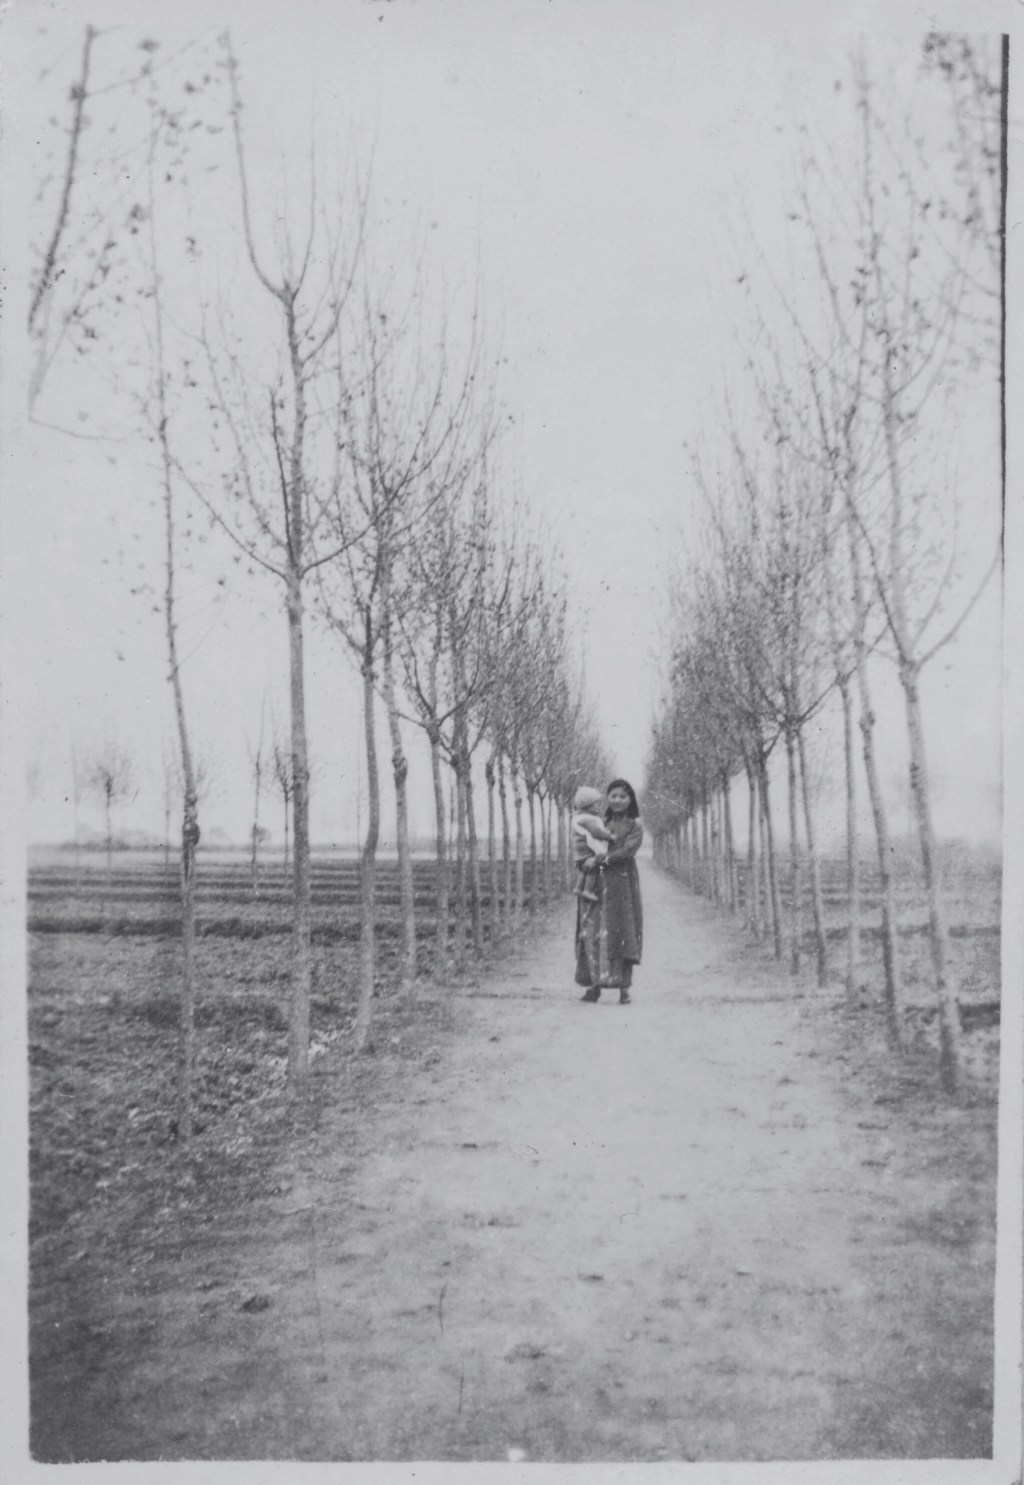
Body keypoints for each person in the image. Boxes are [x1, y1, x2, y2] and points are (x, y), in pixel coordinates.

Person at [575, 778, 644, 1005]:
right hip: (598, 882)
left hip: (623, 883)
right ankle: (594, 987)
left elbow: (625, 854)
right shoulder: (598, 821)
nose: (617, 800)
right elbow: (585, 842)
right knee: (593, 930)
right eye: (613, 796)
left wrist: (598, 861)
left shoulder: (635, 826)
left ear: (630, 799)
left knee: (623, 932)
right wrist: (589, 861)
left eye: (622, 796)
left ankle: (624, 988)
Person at [570, 785, 614, 902]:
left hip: (579, 855)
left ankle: (579, 888)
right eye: (596, 804)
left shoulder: (579, 818)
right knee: (593, 870)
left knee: (585, 871)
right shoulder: (589, 819)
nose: (599, 807)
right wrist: (610, 836)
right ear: (588, 806)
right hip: (587, 853)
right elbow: (597, 832)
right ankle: (587, 890)